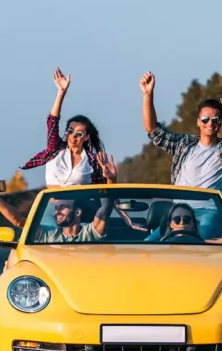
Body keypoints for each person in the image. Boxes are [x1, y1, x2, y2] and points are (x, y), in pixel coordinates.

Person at [20, 67, 144, 231]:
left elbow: (107, 193)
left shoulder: (92, 161)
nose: (73, 136)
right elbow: (51, 123)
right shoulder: (55, 150)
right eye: (70, 131)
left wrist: (129, 221)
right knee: (44, 242)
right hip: (51, 210)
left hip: (80, 212)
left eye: (79, 134)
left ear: (86, 137)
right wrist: (61, 92)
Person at [140, 71, 222, 239]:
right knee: (148, 246)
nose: (210, 123)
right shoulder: (184, 145)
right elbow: (152, 129)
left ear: (219, 123)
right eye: (205, 119)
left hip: (210, 212)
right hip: (178, 213)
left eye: (215, 119)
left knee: (201, 247)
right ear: (198, 122)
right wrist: (148, 94)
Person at [0, 177, 114, 243]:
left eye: (63, 207)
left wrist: (110, 181)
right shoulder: (48, 235)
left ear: (78, 212)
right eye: (56, 208)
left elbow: (106, 209)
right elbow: (19, 222)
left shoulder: (89, 232)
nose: (57, 211)